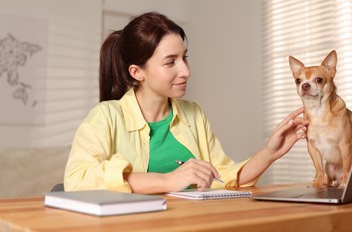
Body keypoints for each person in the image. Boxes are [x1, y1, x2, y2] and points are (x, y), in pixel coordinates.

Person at [64, 12, 308, 194]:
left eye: (184, 58)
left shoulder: (193, 114)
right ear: (137, 72)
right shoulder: (105, 116)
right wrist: (167, 180)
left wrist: (269, 153)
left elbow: (224, 176)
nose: (186, 71)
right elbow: (76, 179)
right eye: (171, 62)